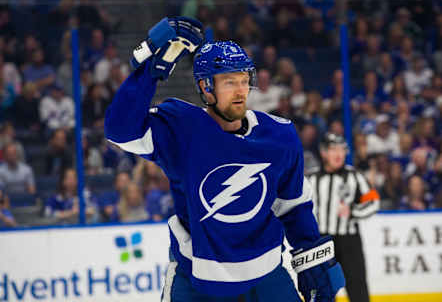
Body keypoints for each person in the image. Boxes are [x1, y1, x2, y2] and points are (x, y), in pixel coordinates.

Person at [105, 17, 344, 301]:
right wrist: (150, 71)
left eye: (244, 80)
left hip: (267, 276)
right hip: (198, 280)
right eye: (230, 82)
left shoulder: (278, 135)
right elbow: (121, 131)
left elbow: (293, 205)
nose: (241, 90)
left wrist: (313, 262)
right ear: (206, 87)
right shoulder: (183, 129)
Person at [306, 133, 380, 302]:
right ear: (324, 153)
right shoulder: (311, 179)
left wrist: (353, 211)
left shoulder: (355, 176)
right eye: (333, 149)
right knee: (322, 287)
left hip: (349, 241)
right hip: (322, 240)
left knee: (357, 285)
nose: (338, 154)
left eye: (341, 149)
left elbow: (373, 201)